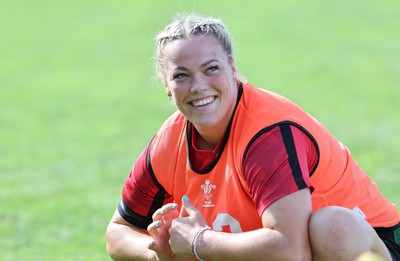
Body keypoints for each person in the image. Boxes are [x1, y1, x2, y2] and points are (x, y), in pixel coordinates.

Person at [106, 13, 400, 261]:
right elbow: (117, 232)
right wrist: (158, 250)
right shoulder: (168, 142)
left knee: (332, 227)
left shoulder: (266, 133)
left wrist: (198, 241)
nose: (198, 86)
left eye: (211, 69)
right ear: (167, 86)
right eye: (181, 75)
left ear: (233, 69)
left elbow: (290, 250)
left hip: (375, 244)